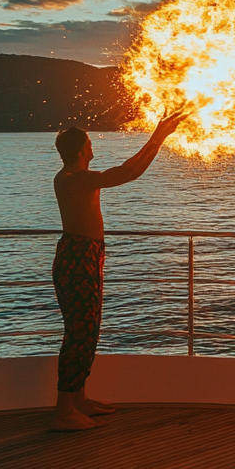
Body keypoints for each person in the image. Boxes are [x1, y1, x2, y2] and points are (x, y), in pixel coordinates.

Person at [49, 110, 188, 431]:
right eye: (89, 142)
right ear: (84, 149)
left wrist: (159, 137)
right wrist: (159, 137)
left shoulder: (74, 177)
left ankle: (79, 400)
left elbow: (126, 172)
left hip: (86, 255)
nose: (92, 146)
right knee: (79, 333)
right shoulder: (75, 179)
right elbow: (128, 173)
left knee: (88, 331)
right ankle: (63, 412)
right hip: (77, 259)